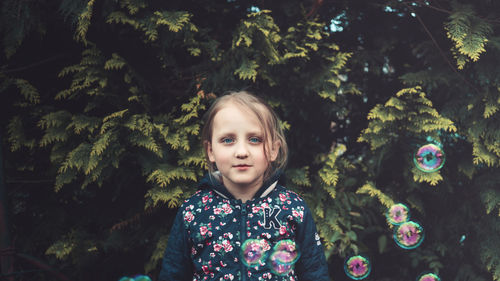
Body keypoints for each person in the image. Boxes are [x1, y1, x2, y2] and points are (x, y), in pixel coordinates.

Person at [158, 91, 330, 281]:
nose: (241, 152)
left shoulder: (292, 207)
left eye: (254, 139)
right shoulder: (194, 210)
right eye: (228, 140)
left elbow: (315, 273)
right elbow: (173, 274)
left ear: (273, 150)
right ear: (210, 151)